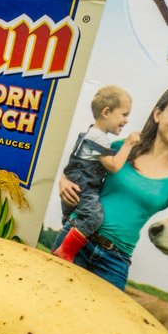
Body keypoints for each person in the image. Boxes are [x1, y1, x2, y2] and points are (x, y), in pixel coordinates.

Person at [55, 84, 168, 290]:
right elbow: (80, 165)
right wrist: (63, 180)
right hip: (74, 241)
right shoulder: (121, 148)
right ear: (157, 114)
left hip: (113, 261)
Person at [52, 85, 139, 261]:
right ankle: (65, 251)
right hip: (84, 186)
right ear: (106, 112)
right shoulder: (99, 137)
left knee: (72, 220)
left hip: (74, 182)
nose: (127, 120)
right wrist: (128, 144)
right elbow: (113, 166)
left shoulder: (90, 132)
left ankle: (64, 242)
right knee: (93, 217)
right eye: (124, 114)